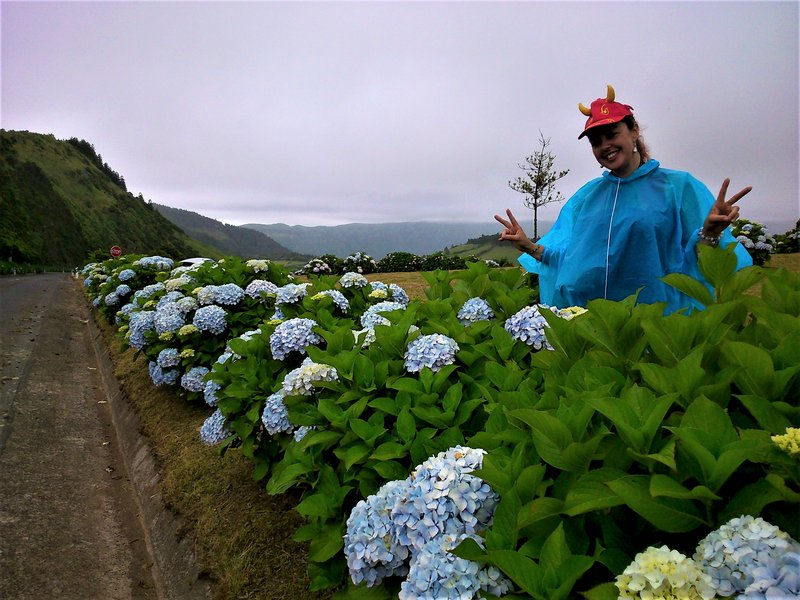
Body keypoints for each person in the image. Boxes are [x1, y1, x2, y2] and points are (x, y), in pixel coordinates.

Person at [494, 84, 753, 314]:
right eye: (596, 141)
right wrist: (528, 245)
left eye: (612, 134)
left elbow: (697, 262)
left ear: (634, 131)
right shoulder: (587, 197)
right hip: (597, 328)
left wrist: (709, 233)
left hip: (660, 326)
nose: (605, 145)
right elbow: (571, 261)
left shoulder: (677, 187)